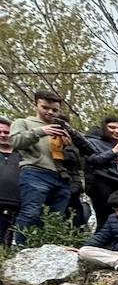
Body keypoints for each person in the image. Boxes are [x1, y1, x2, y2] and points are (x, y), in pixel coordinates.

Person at [10, 91, 84, 243]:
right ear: (35, 105)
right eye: (45, 107)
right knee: (31, 212)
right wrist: (41, 131)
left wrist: (68, 147)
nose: (50, 112)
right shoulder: (23, 122)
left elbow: (77, 160)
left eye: (55, 110)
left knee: (56, 218)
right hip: (35, 171)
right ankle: (21, 249)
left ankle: (47, 248)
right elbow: (14, 142)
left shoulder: (62, 127)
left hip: (62, 176)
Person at [0, 117, 21, 246]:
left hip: (20, 205)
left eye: (6, 132)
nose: (3, 135)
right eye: (0, 132)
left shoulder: (24, 154)